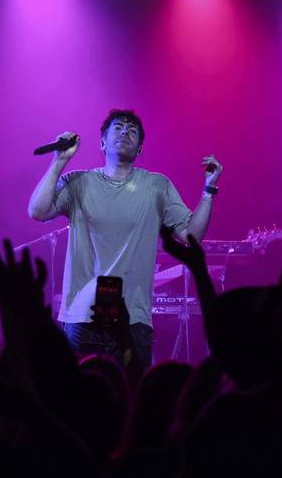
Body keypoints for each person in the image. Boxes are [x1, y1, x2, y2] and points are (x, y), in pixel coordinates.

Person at [28, 109, 222, 369]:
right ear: (102, 142)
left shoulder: (157, 186)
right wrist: (60, 161)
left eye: (132, 130)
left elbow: (192, 235)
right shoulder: (79, 181)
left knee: (131, 398)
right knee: (77, 399)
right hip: (81, 315)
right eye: (118, 127)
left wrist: (209, 189)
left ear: (140, 150)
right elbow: (38, 211)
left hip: (133, 318)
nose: (125, 132)